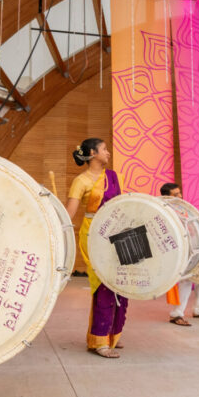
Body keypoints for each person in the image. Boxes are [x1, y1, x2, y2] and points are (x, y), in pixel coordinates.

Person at [64, 138, 128, 358]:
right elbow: (69, 214)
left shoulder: (113, 177)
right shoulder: (80, 181)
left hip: (117, 233)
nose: (108, 153)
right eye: (104, 149)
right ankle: (99, 340)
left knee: (120, 283)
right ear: (93, 153)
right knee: (103, 286)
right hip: (93, 235)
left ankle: (113, 334)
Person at [159, 182, 199, 325]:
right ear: (167, 197)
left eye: (180, 193)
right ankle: (176, 314)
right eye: (176, 194)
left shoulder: (184, 208)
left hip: (195, 246)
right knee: (186, 280)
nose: (180, 196)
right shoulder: (164, 210)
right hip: (180, 249)